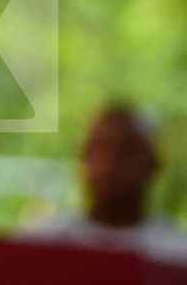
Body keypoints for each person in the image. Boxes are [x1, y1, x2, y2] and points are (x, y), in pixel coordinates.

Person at [23, 104, 187, 264]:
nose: (110, 162)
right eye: (99, 147)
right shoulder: (39, 246)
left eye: (126, 151)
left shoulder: (176, 255)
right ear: (81, 159)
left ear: (153, 164)